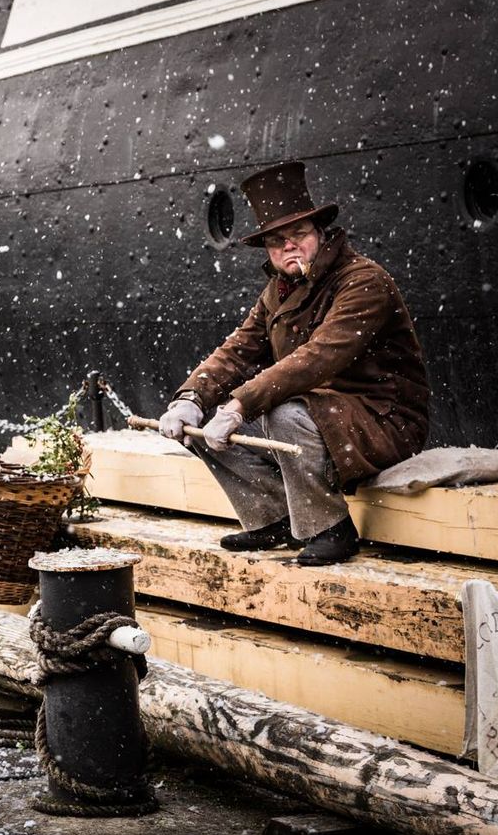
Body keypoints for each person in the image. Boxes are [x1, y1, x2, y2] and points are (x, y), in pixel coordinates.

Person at [158, 161, 429, 564]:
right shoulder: (278, 292)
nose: (288, 246)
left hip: (384, 419)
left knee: (282, 413)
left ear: (320, 233)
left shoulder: (363, 281)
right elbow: (238, 350)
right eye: (276, 240)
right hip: (322, 417)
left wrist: (240, 405)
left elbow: (316, 359)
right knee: (204, 426)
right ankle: (276, 519)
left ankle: (330, 527)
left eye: (298, 234)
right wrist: (192, 398)